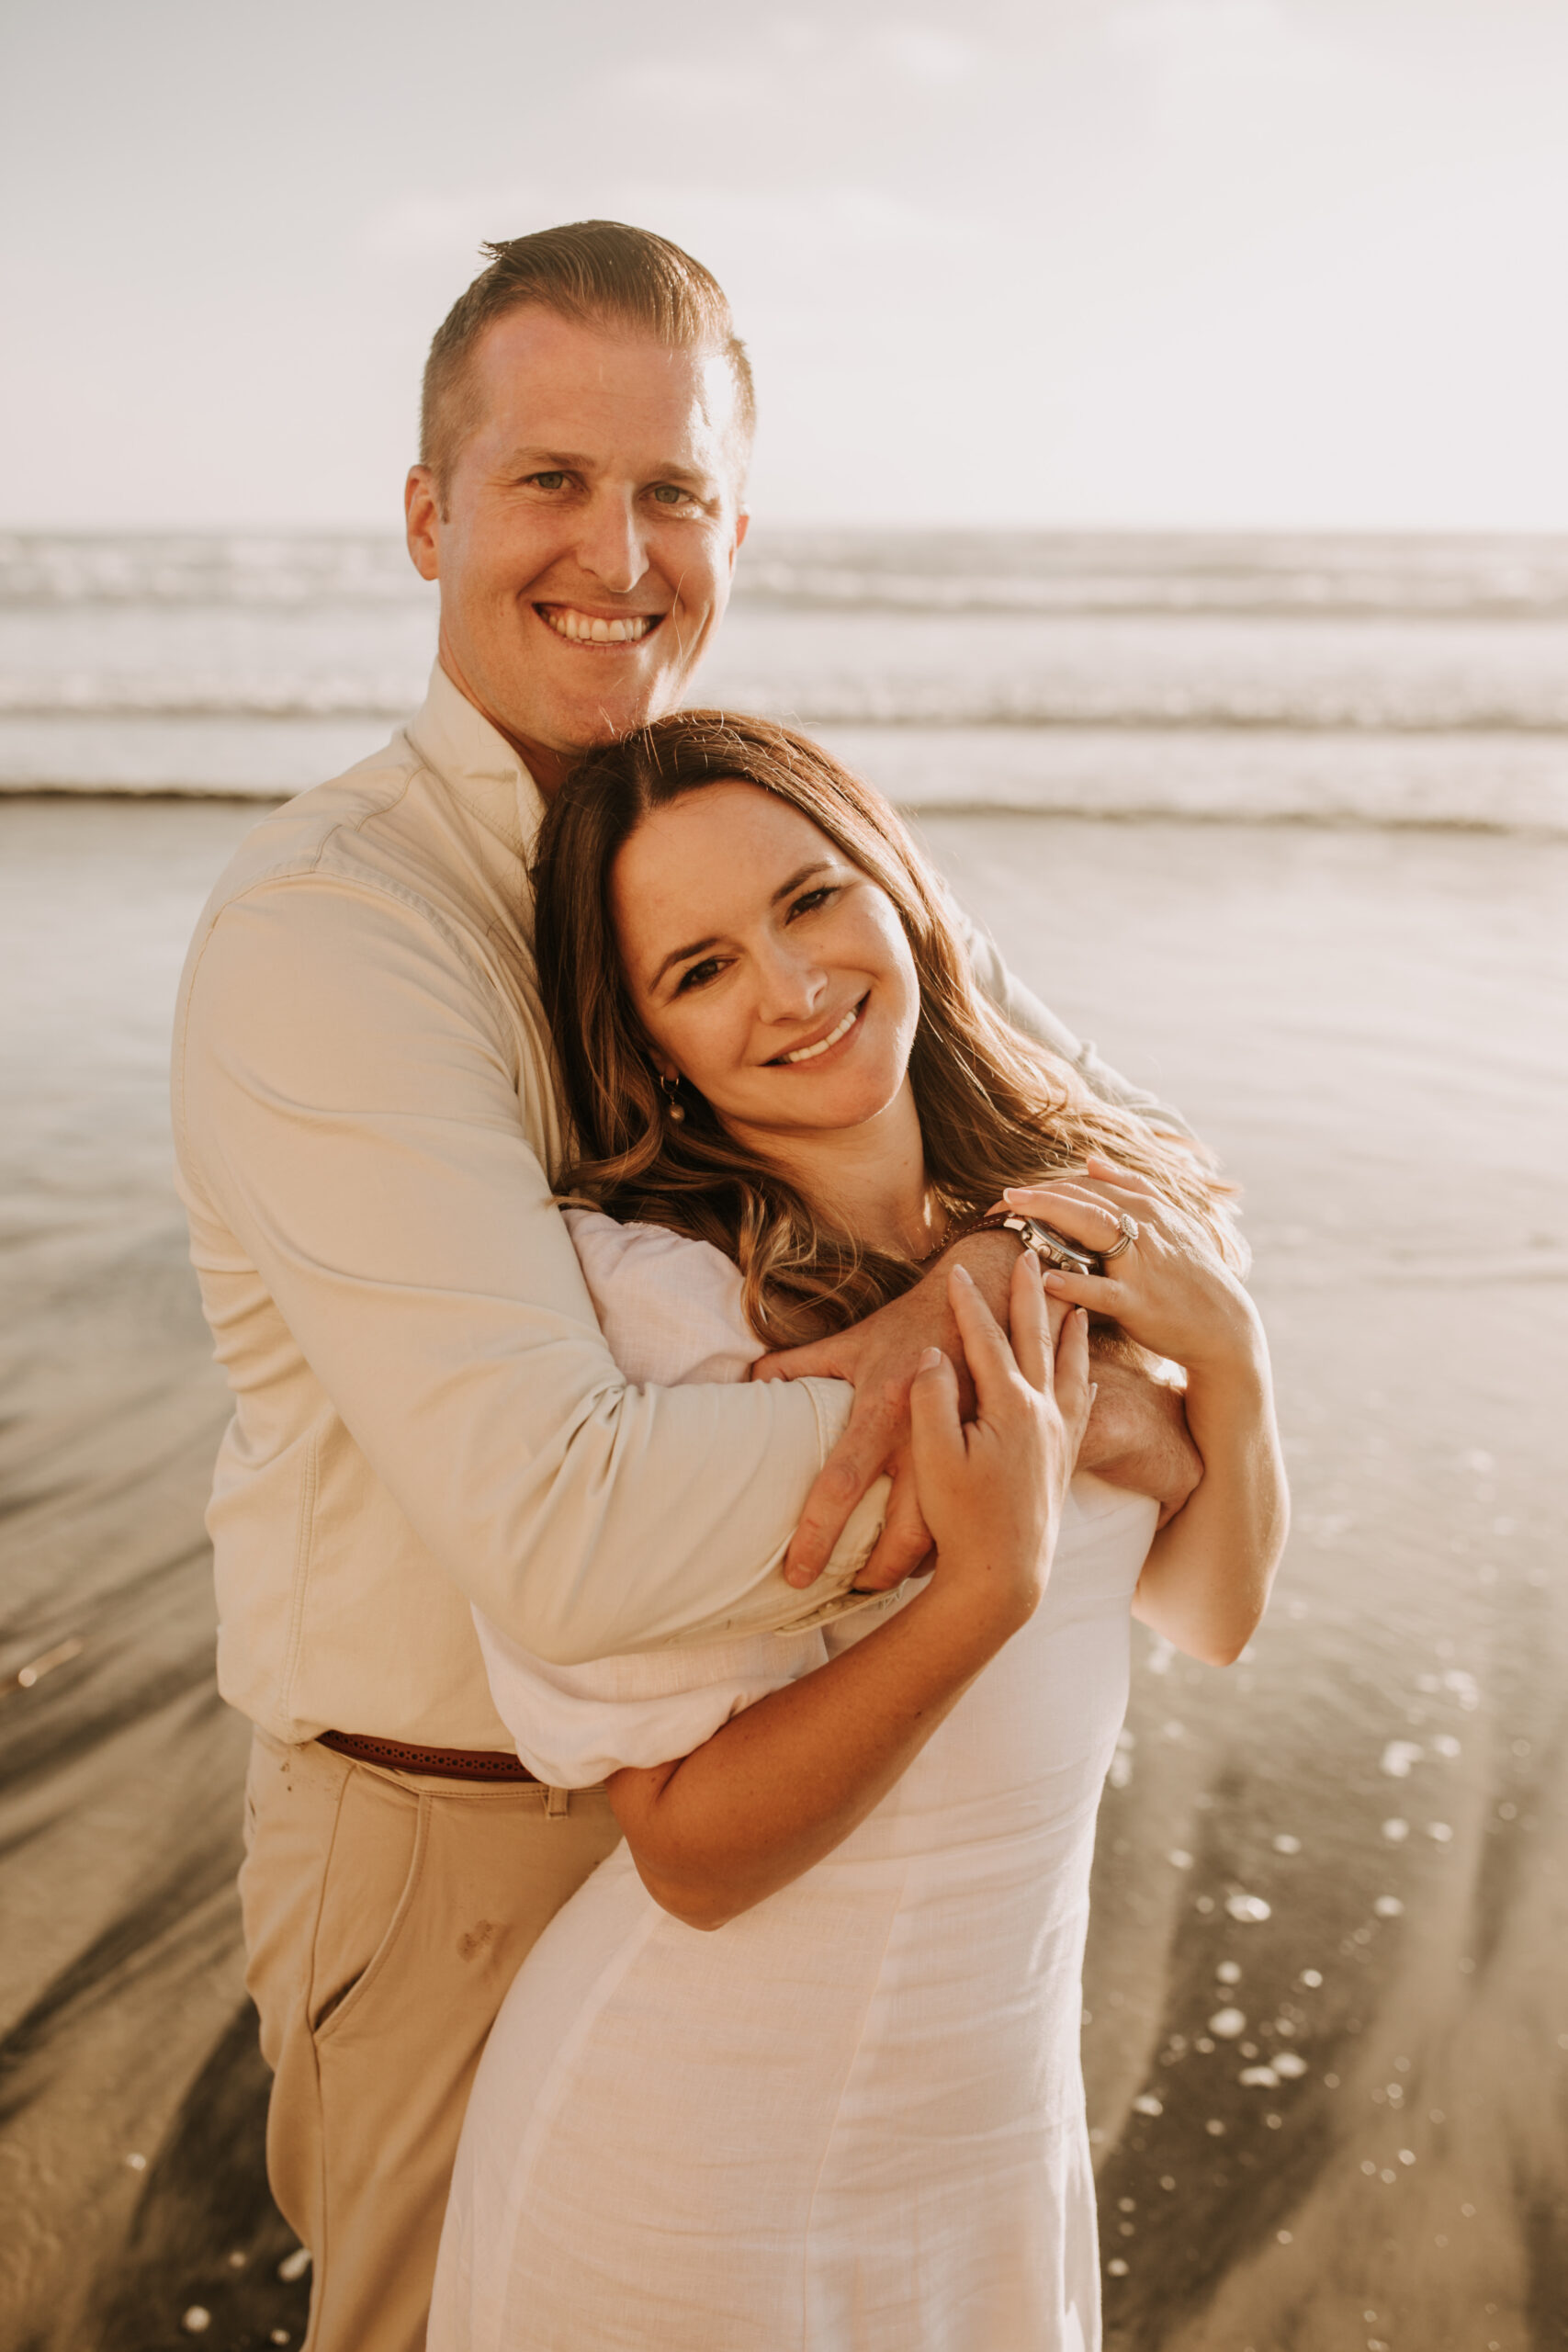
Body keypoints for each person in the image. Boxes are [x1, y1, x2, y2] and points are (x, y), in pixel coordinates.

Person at [172, 220, 1201, 2352]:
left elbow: (1149, 1195)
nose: (612, 549)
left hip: (824, 1825)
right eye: (548, 478)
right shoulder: (329, 929)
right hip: (463, 1842)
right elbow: (563, 1520)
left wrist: (1077, 1293)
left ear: (732, 523)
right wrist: (1013, 1354)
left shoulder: (743, 838)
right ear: (427, 512)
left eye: (671, 491)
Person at [427, 714, 1288, 2350]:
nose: (793, 985)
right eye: (701, 970)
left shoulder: (1067, 1202)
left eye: (814, 900)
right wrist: (986, 1590)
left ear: (899, 886)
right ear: (651, 1040)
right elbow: (686, 1855)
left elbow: (1210, 1617)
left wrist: (1234, 1369)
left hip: (987, 2104)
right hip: (690, 2150)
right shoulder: (658, 1304)